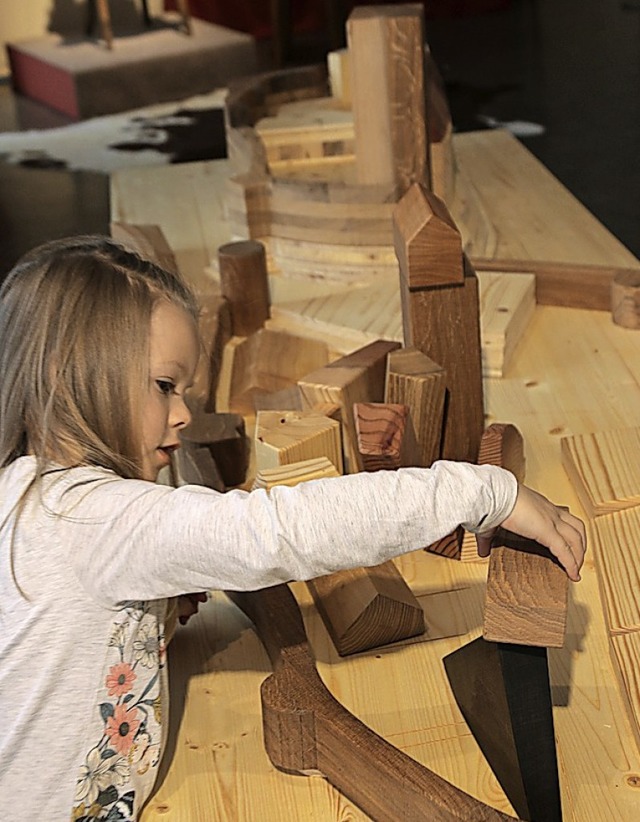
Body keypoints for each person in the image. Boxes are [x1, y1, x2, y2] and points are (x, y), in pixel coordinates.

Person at [0, 235, 586, 821]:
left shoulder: (34, 496)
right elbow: (279, 531)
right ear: (66, 374)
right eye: (164, 386)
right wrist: (483, 492)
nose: (182, 413)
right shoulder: (94, 519)